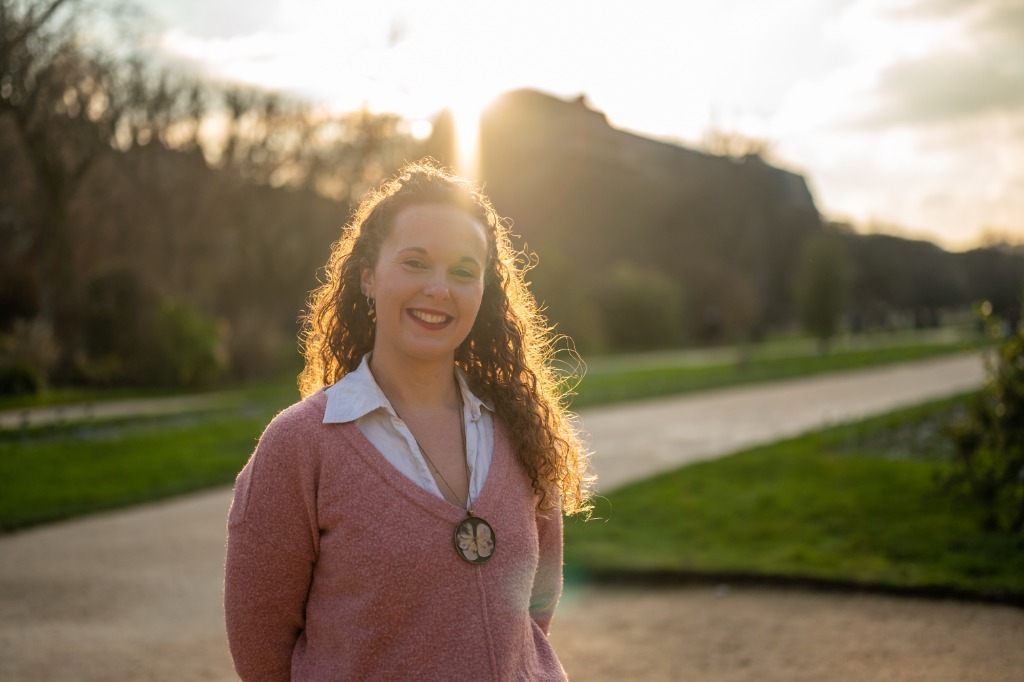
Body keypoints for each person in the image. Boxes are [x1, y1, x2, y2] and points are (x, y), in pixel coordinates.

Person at [224, 160, 593, 681]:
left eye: (463, 271)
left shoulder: (519, 427)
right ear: (368, 277)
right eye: (415, 262)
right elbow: (261, 649)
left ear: (484, 290)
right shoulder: (300, 445)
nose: (439, 288)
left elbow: (537, 602)